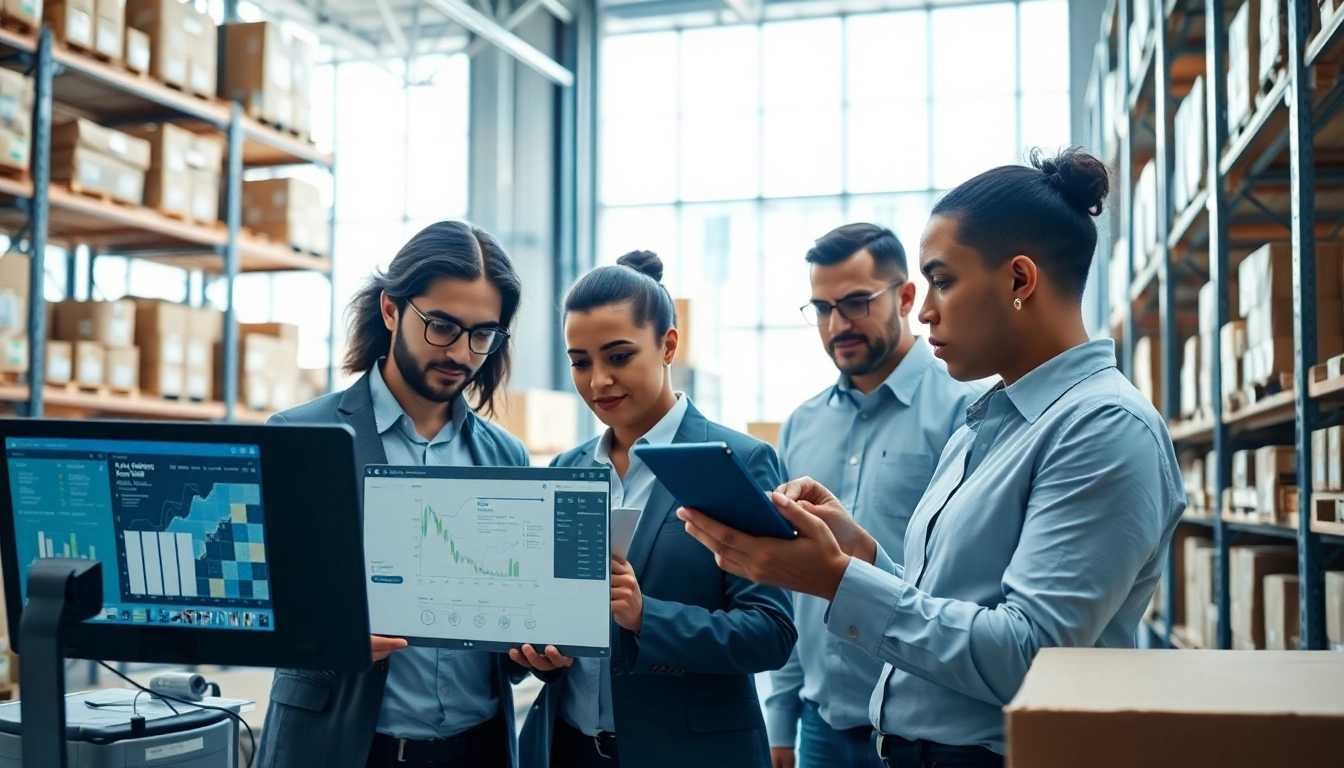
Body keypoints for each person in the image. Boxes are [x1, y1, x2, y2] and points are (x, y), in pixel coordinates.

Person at [678, 148, 1186, 768]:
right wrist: (859, 556)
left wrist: (834, 580)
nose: (924, 311)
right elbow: (950, 599)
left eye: (942, 281)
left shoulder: (1103, 427)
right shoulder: (989, 422)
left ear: (1020, 281)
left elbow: (1030, 656)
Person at [255, 221, 531, 768]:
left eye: (482, 335)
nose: (461, 353)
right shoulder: (299, 436)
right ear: (390, 310)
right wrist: (335, 635)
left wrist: (535, 650)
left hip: (475, 750)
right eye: (442, 327)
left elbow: (509, 633)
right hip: (341, 747)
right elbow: (260, 607)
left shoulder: (506, 457)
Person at [515, 251, 797, 768]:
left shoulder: (737, 462)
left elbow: (771, 632)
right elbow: (551, 614)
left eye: (618, 356)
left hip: (692, 753)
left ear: (668, 344)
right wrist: (544, 654)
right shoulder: (567, 468)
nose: (597, 381)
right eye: (580, 362)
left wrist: (648, 617)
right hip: (570, 749)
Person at [766, 224, 984, 768]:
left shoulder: (970, 413)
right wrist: (781, 720)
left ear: (907, 297)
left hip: (927, 731)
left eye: (856, 303)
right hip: (822, 726)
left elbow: (974, 585)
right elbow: (795, 588)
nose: (838, 324)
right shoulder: (801, 425)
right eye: (822, 307)